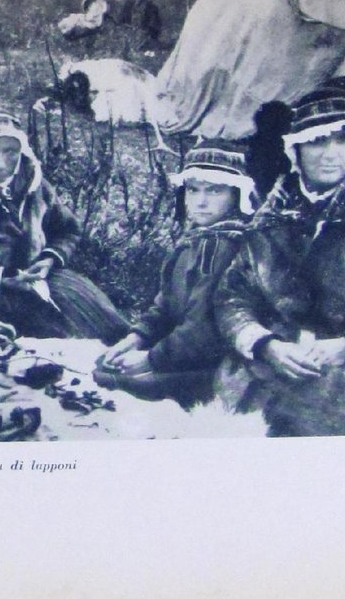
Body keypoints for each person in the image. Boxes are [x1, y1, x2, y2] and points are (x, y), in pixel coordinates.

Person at [213, 84, 345, 437]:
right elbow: (232, 295)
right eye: (317, 142)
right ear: (295, 149)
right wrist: (265, 344)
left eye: (343, 140)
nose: (331, 154)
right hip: (266, 368)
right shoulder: (275, 214)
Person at [0, 109, 128, 342]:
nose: (0, 163)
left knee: (105, 323)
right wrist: (0, 278)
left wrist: (49, 259)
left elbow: (67, 230)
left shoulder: (34, 184)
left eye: (10, 151)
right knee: (40, 341)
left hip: (38, 278)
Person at [95, 143, 254, 408]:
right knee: (105, 365)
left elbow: (200, 329)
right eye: (193, 190)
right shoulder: (195, 241)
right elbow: (165, 306)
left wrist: (150, 360)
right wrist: (136, 338)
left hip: (214, 366)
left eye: (214, 191)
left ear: (236, 194)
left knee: (110, 380)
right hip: (182, 353)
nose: (201, 201)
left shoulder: (224, 245)